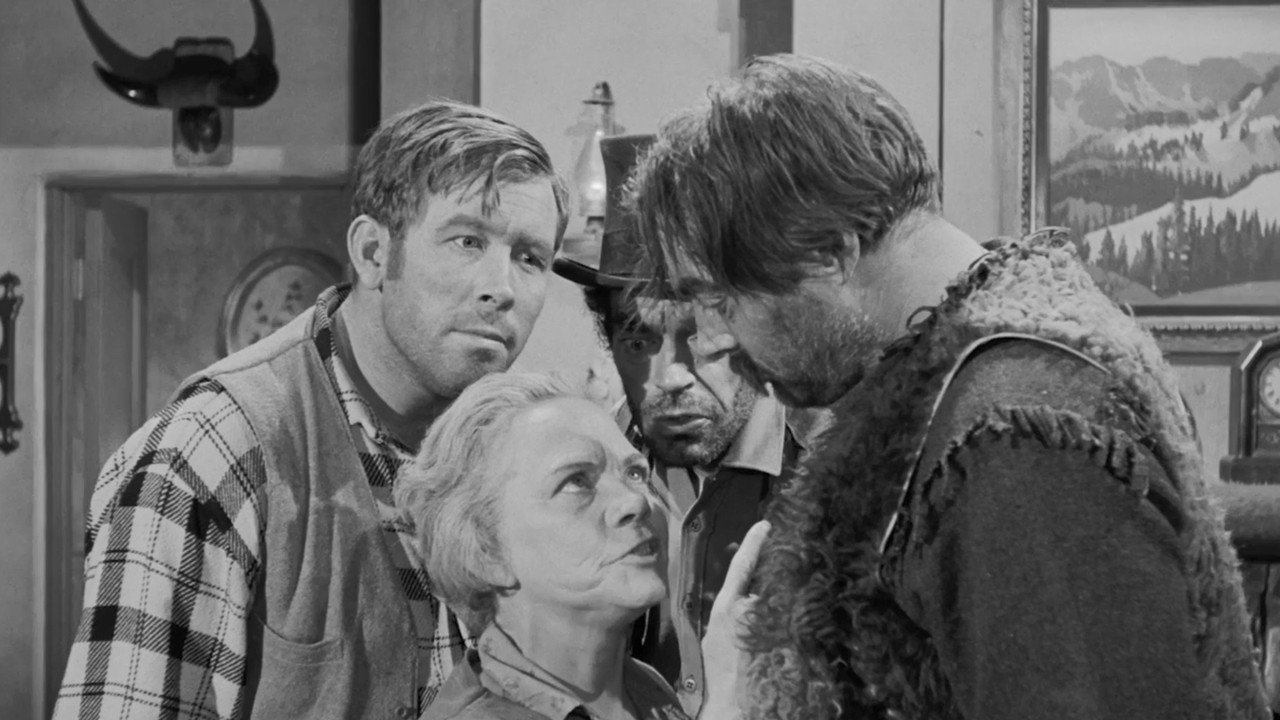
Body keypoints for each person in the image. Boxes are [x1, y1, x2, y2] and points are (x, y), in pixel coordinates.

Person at [626, 53, 1270, 720]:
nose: (713, 339)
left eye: (721, 299)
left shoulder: (1016, 439)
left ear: (828, 251)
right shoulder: (998, 375)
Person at [53, 99, 570, 720]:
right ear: (374, 252)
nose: (503, 288)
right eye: (467, 241)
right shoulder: (214, 448)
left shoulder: (505, 455)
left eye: (530, 258)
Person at [553, 133, 813, 715]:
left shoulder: (829, 472)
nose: (671, 376)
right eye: (639, 340)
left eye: (701, 335)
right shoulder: (580, 481)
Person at [395, 371, 767, 720]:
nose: (636, 501)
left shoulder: (643, 687)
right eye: (576, 481)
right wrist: (724, 707)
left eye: (635, 473)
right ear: (484, 554)